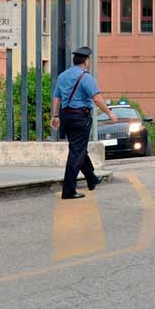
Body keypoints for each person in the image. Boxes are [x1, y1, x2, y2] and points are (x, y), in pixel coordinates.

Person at [50, 47, 116, 200]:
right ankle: (68, 190)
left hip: (65, 116)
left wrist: (55, 116)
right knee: (76, 152)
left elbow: (57, 98)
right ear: (86, 61)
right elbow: (97, 99)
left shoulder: (62, 76)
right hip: (80, 117)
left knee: (78, 148)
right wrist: (109, 113)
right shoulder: (85, 77)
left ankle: (91, 178)